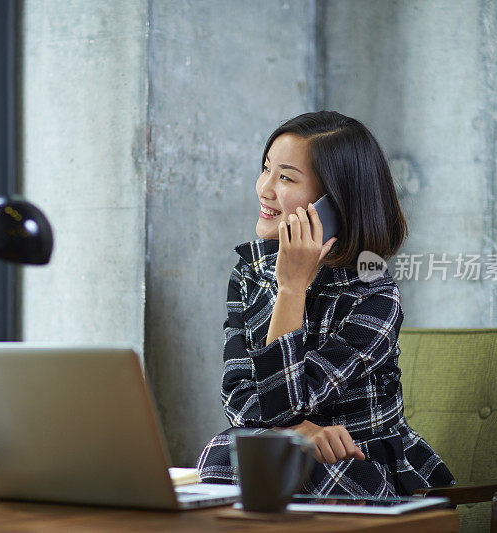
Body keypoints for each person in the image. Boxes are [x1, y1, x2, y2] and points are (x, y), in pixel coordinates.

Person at [195, 111, 456, 497]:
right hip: (282, 454)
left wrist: (291, 288)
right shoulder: (249, 274)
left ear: (332, 204)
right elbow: (239, 398)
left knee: (317, 474)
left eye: (285, 177)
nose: (264, 189)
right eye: (266, 169)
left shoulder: (376, 295)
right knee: (223, 452)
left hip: (357, 461)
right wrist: (299, 431)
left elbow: (284, 404)